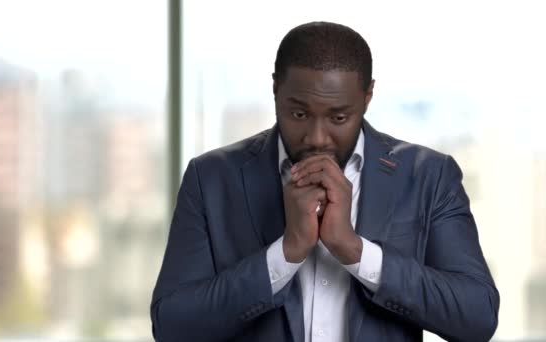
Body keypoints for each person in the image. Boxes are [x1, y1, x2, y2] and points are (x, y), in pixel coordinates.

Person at [151, 21, 499, 342]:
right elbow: (172, 326)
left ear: (367, 97)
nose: (317, 138)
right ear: (275, 90)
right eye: (299, 114)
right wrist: (285, 254)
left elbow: (477, 316)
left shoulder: (429, 176)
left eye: (339, 117)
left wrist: (354, 250)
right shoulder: (211, 178)